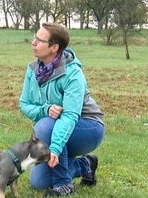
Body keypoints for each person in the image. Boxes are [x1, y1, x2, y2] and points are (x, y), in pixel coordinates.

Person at [19, 22, 105, 196]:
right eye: (35, 38)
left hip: (87, 128)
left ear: (54, 47)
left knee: (44, 127)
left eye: (39, 40)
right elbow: (24, 105)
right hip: (55, 128)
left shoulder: (73, 74)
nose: (33, 43)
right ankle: (85, 165)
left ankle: (64, 184)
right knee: (39, 182)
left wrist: (56, 148)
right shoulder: (33, 70)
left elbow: (70, 117)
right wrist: (46, 109)